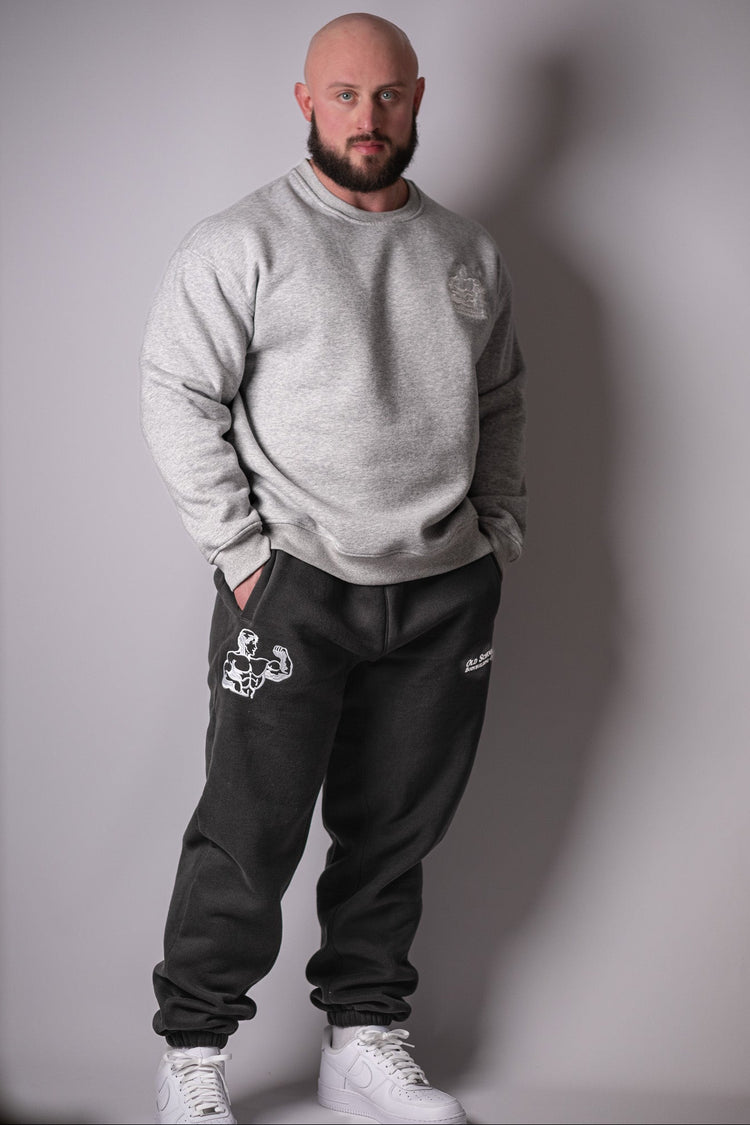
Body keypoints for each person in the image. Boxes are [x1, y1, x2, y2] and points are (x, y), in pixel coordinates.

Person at [141, 12, 526, 1125]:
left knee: (395, 830)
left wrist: (498, 534)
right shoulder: (241, 242)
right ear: (306, 102)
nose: (369, 117)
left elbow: (502, 398)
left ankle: (361, 1037)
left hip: (444, 589)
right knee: (248, 832)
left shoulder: (467, 252)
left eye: (388, 94)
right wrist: (241, 556)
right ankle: (192, 1049)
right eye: (345, 95)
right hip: (293, 586)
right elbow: (177, 391)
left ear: (418, 98)